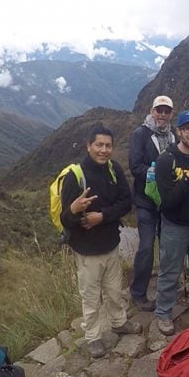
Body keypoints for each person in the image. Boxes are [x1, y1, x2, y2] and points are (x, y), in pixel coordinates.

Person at [59, 124, 139, 358]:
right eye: (99, 145)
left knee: (114, 291)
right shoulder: (75, 177)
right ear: (89, 146)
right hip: (86, 250)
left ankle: (119, 322)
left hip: (111, 243)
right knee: (91, 297)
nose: (104, 150)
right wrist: (74, 209)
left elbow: (126, 202)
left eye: (108, 146)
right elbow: (65, 219)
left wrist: (101, 216)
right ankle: (93, 337)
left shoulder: (114, 169)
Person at [153, 109, 189, 335]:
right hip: (174, 224)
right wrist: (187, 179)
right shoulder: (166, 160)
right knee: (170, 269)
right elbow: (167, 202)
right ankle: (163, 312)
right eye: (187, 129)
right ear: (179, 131)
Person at [127, 94, 176, 311]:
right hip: (146, 201)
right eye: (159, 110)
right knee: (147, 247)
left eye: (167, 111)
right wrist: (157, 172)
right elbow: (135, 166)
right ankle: (138, 293)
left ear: (171, 114)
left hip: (167, 202)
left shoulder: (174, 136)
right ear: (152, 111)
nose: (162, 115)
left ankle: (166, 288)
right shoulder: (141, 134)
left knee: (168, 246)